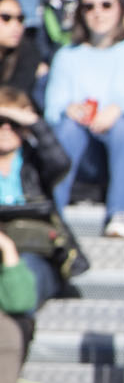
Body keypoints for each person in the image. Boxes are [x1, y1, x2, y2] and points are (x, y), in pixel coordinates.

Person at [45, 0, 124, 239]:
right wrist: (70, 109)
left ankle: (121, 213)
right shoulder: (67, 56)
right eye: (89, 7)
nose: (98, 12)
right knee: (66, 127)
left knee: (123, 126)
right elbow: (52, 110)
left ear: (120, 9)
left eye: (106, 5)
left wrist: (118, 111)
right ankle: (51, 216)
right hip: (84, 151)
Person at [0, 87, 78, 306]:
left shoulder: (36, 163)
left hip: (34, 251)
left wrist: (34, 123)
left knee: (28, 277)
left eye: (14, 124)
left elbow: (60, 161)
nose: (6, 129)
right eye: (0, 122)